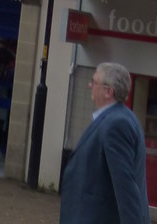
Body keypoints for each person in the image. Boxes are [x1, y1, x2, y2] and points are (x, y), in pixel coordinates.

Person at [60, 61, 150, 224]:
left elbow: (126, 187)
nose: (89, 85)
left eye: (94, 82)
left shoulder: (117, 125)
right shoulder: (119, 118)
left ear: (108, 91)